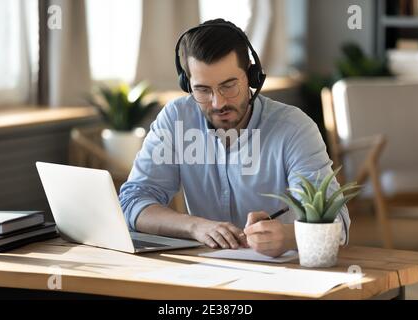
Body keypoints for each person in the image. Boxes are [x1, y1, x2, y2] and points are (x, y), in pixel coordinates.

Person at [119, 19, 350, 257]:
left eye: (229, 86)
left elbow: (337, 224)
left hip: (283, 273)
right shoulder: (176, 118)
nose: (218, 103)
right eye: (203, 90)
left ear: (251, 76)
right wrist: (195, 226)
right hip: (205, 271)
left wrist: (288, 237)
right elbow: (133, 201)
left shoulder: (294, 129)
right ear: (187, 84)